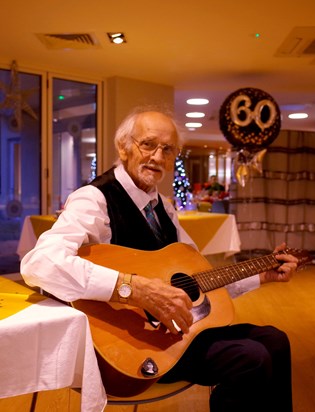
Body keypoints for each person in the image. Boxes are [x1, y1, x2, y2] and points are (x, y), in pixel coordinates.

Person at [21, 107, 298, 412]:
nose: (157, 156)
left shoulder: (163, 207)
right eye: (148, 144)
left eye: (167, 149)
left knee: (275, 340)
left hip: (178, 332)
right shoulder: (94, 199)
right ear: (123, 147)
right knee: (251, 359)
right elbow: (40, 263)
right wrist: (134, 289)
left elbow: (199, 280)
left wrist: (262, 275)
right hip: (133, 344)